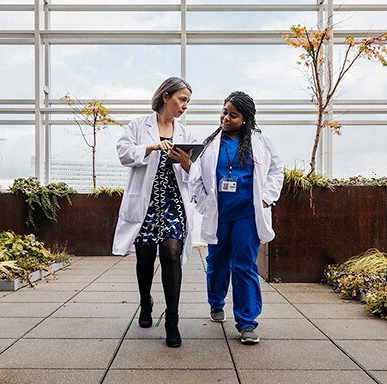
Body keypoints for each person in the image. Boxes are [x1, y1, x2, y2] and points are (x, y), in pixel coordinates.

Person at [188, 91, 284, 344]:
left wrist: (266, 198)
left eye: (233, 115)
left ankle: (247, 322)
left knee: (244, 265)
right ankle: (216, 301)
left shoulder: (260, 141)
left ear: (245, 119)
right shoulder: (209, 142)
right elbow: (196, 175)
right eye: (224, 112)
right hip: (219, 214)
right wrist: (203, 201)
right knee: (217, 263)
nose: (226, 118)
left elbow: (276, 169)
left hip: (248, 214)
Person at [112, 77, 197, 348]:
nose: (184, 106)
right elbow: (124, 153)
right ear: (166, 97)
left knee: (171, 254)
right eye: (182, 99)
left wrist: (184, 161)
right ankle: (145, 302)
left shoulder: (185, 134)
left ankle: (172, 320)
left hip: (173, 203)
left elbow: (194, 173)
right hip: (146, 205)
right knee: (145, 260)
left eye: (187, 102)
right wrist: (151, 147)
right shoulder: (139, 125)